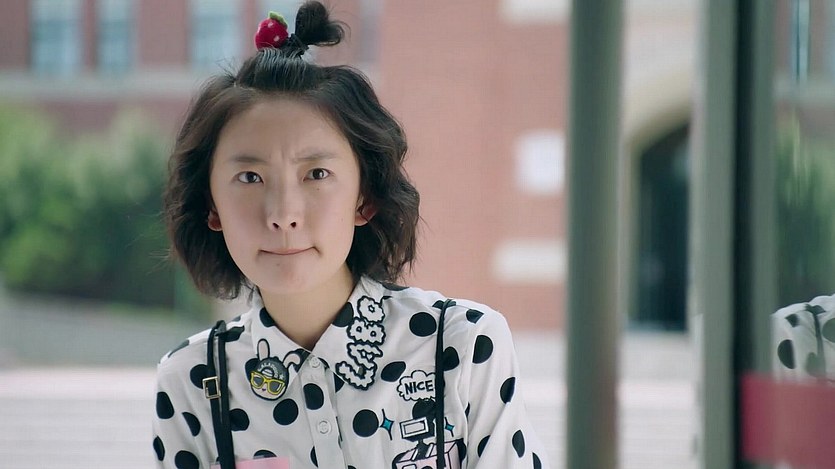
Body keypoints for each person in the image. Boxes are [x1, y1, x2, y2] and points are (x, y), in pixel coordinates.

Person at [152, 2, 549, 468]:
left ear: (365, 198)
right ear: (211, 206)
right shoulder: (194, 381)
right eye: (250, 178)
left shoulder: (461, 344)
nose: (283, 214)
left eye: (316, 174)